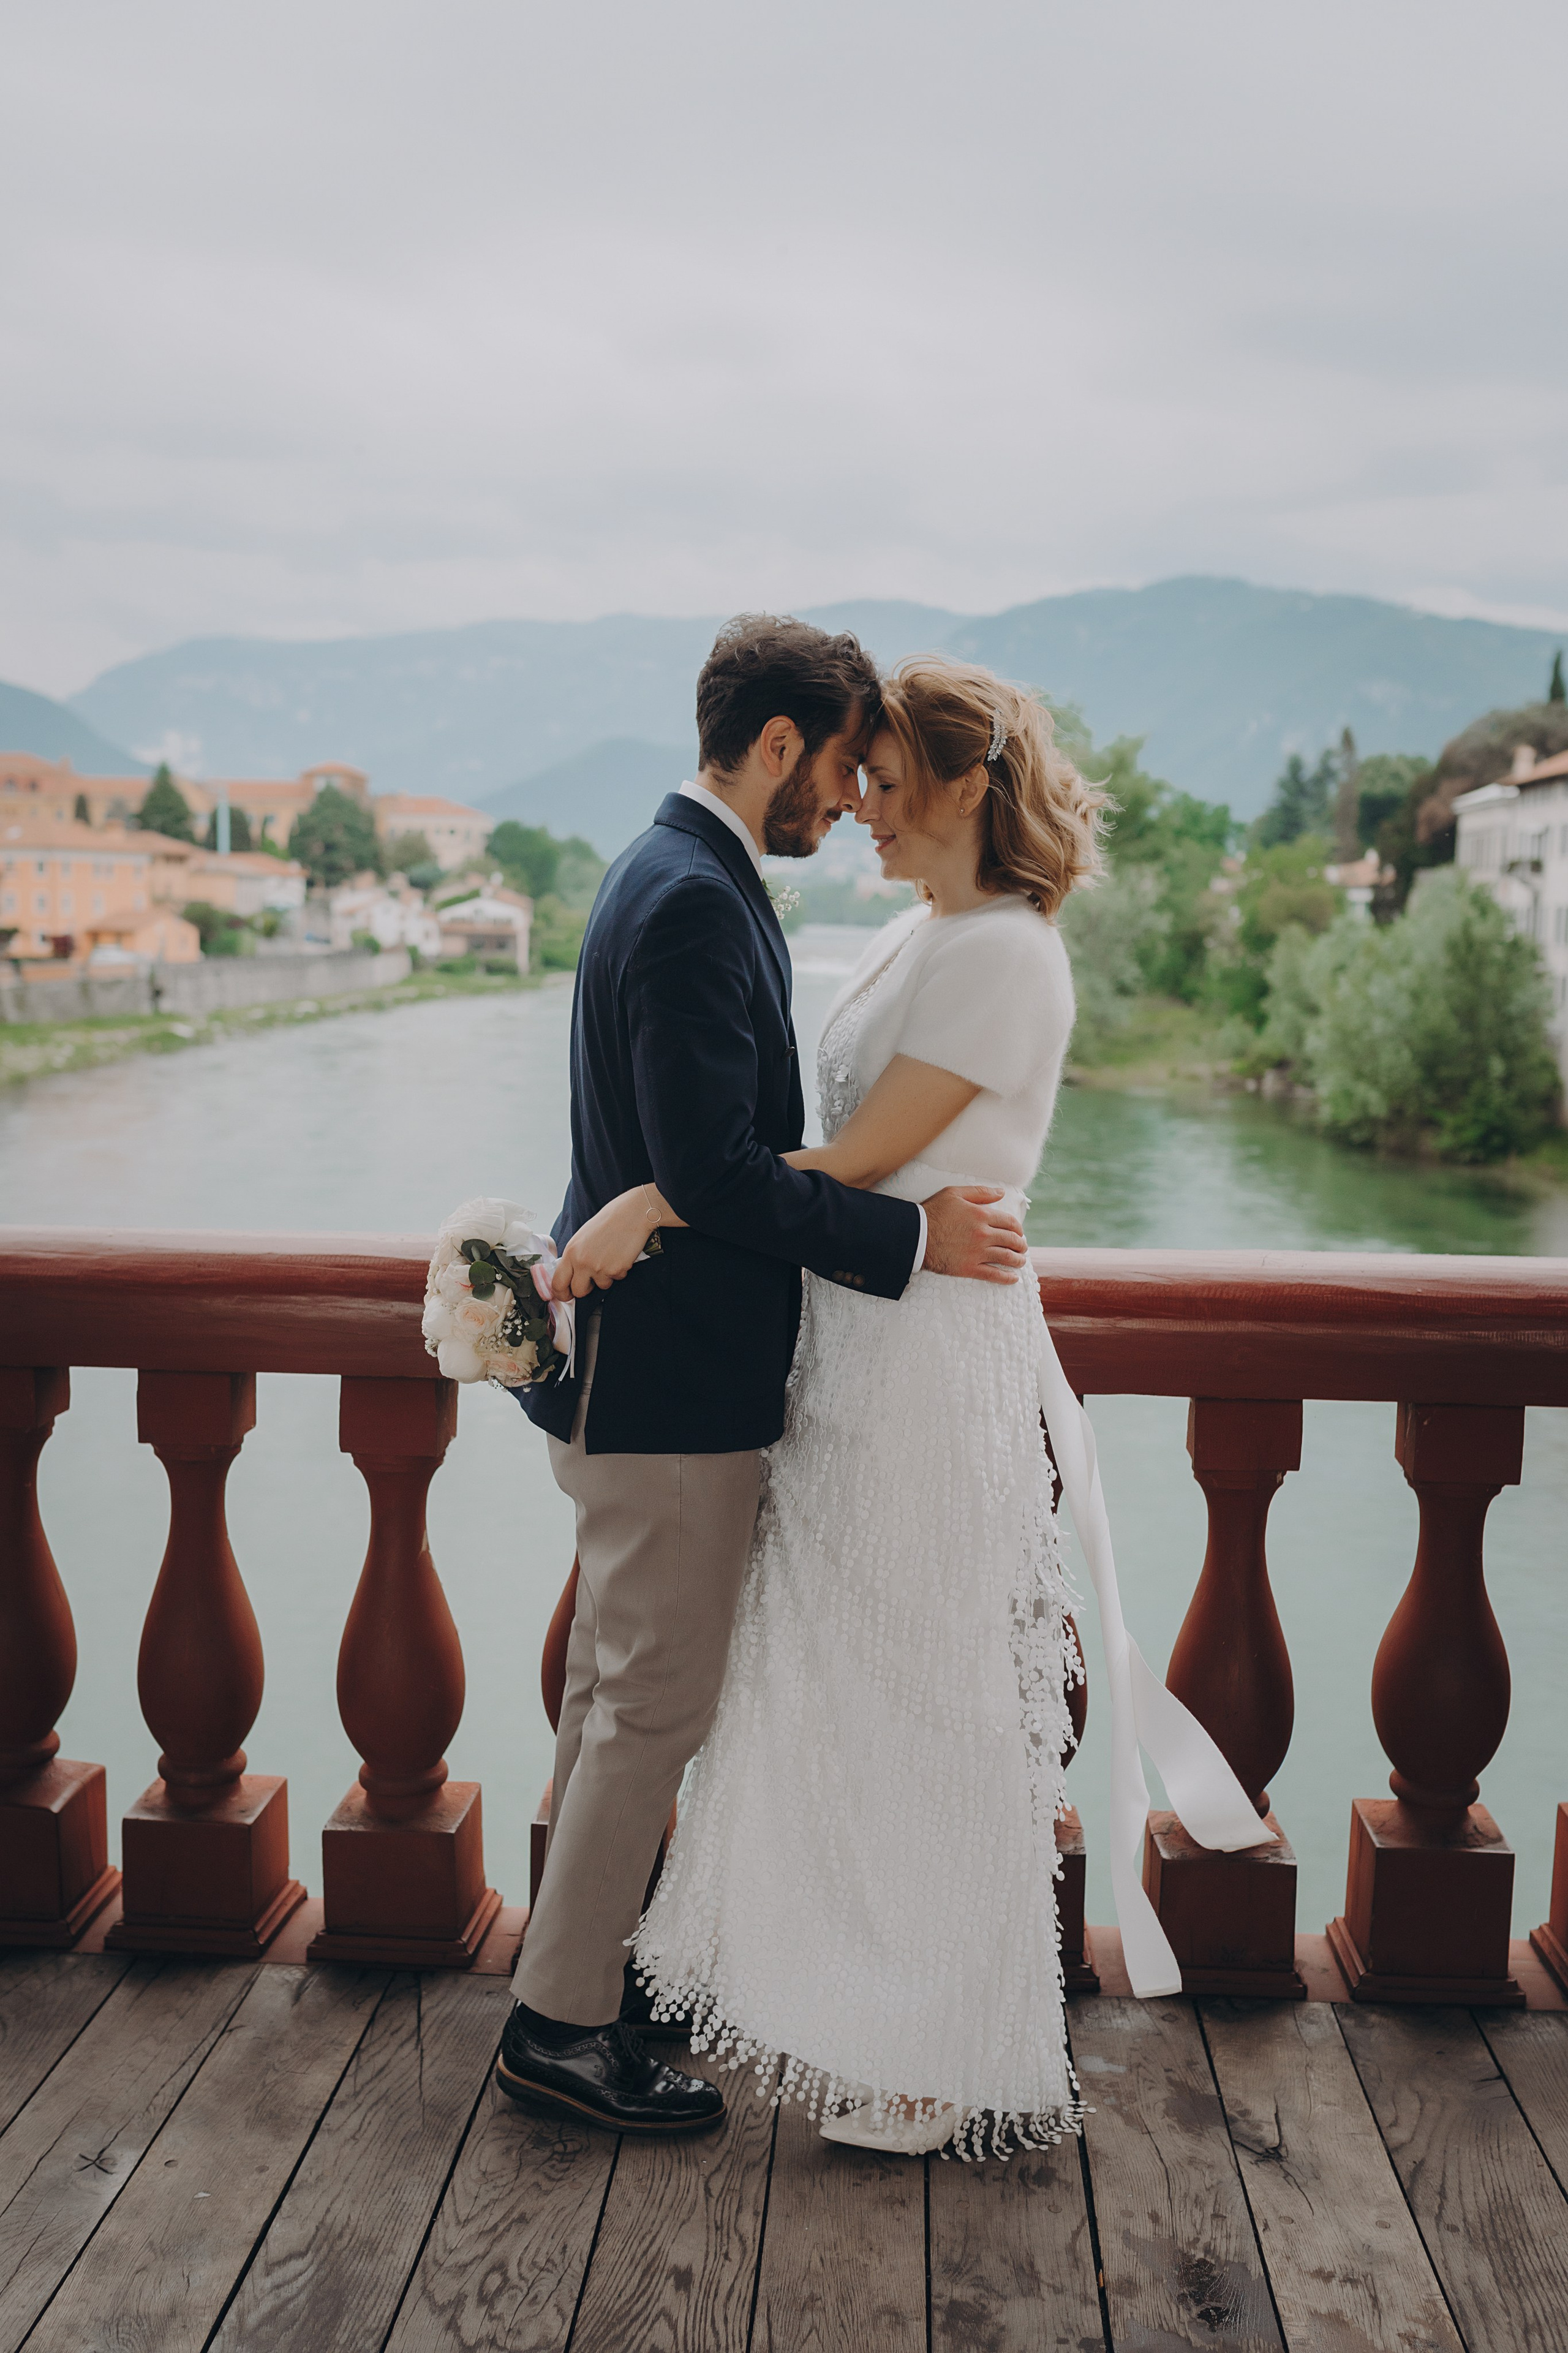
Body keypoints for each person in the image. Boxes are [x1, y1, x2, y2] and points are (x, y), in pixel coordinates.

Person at [552, 653, 1267, 2157]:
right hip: (851, 1348)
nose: (862, 806)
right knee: (838, 1687)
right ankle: (821, 1984)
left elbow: (863, 1160)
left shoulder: (1003, 951)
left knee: (925, 1692)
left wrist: (654, 1208)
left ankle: (927, 2040)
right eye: (851, 775)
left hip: (927, 1351)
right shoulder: (915, 932)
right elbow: (825, 1157)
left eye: (883, 782)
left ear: (961, 786)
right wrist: (687, 1200)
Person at [495, 618, 1030, 2139]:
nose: (846, 795)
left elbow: (690, 1169)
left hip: (646, 1376)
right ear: (778, 745)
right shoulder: (688, 900)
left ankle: (577, 1969)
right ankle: (558, 2029)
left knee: (613, 1694)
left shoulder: (677, 872)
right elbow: (712, 1177)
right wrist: (911, 1237)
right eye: (838, 763)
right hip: (663, 1385)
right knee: (648, 1707)